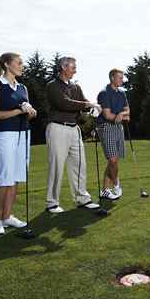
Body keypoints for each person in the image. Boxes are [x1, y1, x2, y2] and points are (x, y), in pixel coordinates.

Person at [0, 52, 37, 235]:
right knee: (5, 179)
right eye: (19, 63)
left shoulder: (22, 87)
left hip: (23, 135)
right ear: (7, 65)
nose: (22, 66)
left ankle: (7, 217)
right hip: (5, 135)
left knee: (15, 179)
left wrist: (30, 111)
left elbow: (28, 112)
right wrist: (17, 111)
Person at [45, 56, 101, 213]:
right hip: (57, 128)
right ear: (63, 67)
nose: (75, 70)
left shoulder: (76, 87)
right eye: (73, 67)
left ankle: (82, 199)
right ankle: (52, 202)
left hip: (74, 129)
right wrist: (87, 105)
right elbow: (63, 103)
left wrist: (92, 109)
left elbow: (83, 101)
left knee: (79, 165)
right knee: (56, 166)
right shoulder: (52, 85)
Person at [96, 68, 130, 200]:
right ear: (112, 78)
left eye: (122, 77)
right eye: (120, 78)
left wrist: (121, 114)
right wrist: (120, 116)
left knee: (113, 160)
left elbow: (128, 112)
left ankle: (104, 190)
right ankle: (116, 184)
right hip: (106, 127)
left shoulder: (122, 93)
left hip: (118, 127)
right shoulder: (104, 93)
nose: (122, 80)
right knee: (112, 159)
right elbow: (107, 115)